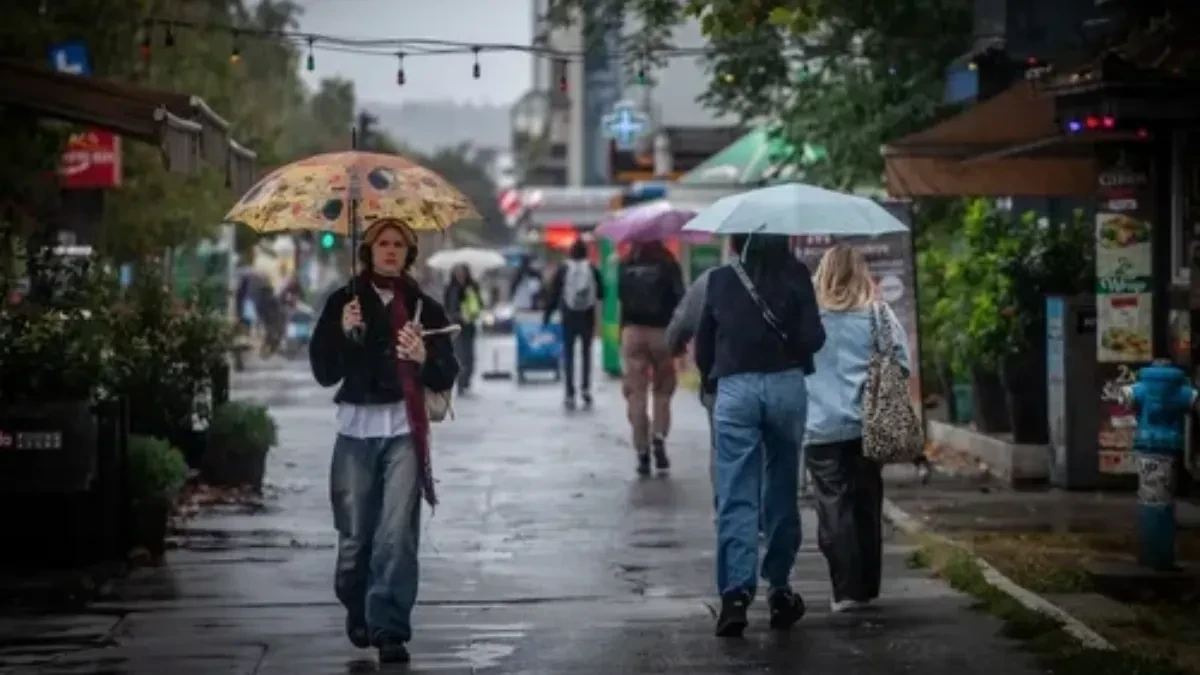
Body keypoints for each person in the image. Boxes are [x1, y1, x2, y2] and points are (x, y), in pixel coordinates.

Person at [308, 218, 460, 664]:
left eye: (398, 244)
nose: (390, 250)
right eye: (382, 243)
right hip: (355, 430)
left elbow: (448, 373)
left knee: (396, 534)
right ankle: (356, 602)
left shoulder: (425, 308)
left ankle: (389, 627)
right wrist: (342, 331)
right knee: (355, 536)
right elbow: (324, 371)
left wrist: (424, 356)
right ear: (369, 251)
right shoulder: (345, 300)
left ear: (408, 254)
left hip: (404, 430)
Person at [695, 233, 825, 638]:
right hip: (786, 386)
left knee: (736, 491)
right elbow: (815, 337)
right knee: (782, 489)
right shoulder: (796, 274)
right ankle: (780, 590)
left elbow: (703, 345)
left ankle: (735, 596)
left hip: (735, 389)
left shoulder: (719, 280)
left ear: (738, 243)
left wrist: (710, 382)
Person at [805, 244, 910, 613]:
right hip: (868, 424)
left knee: (833, 506)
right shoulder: (878, 314)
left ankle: (846, 591)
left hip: (819, 426)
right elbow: (902, 363)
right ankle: (865, 588)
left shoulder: (809, 318)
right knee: (867, 504)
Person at [618, 241, 685, 475]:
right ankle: (658, 436)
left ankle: (642, 450)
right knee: (663, 390)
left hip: (632, 332)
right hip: (662, 333)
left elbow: (621, 301)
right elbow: (680, 300)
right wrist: (681, 338)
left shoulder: (625, 265)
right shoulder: (668, 264)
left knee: (635, 393)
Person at [543, 239, 605, 409]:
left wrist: (547, 315)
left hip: (568, 316)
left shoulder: (564, 269)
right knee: (586, 353)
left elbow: (554, 293)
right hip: (587, 316)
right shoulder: (592, 268)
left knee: (569, 354)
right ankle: (585, 389)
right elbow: (601, 293)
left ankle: (569, 393)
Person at [443, 263, 483, 395]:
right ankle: (461, 382)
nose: (460, 275)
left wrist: (472, 314)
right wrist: (454, 316)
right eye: (457, 272)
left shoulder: (472, 287)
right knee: (459, 355)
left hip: (469, 326)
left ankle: (466, 380)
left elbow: (479, 305)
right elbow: (447, 307)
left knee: (470, 356)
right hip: (456, 326)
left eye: (462, 272)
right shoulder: (451, 288)